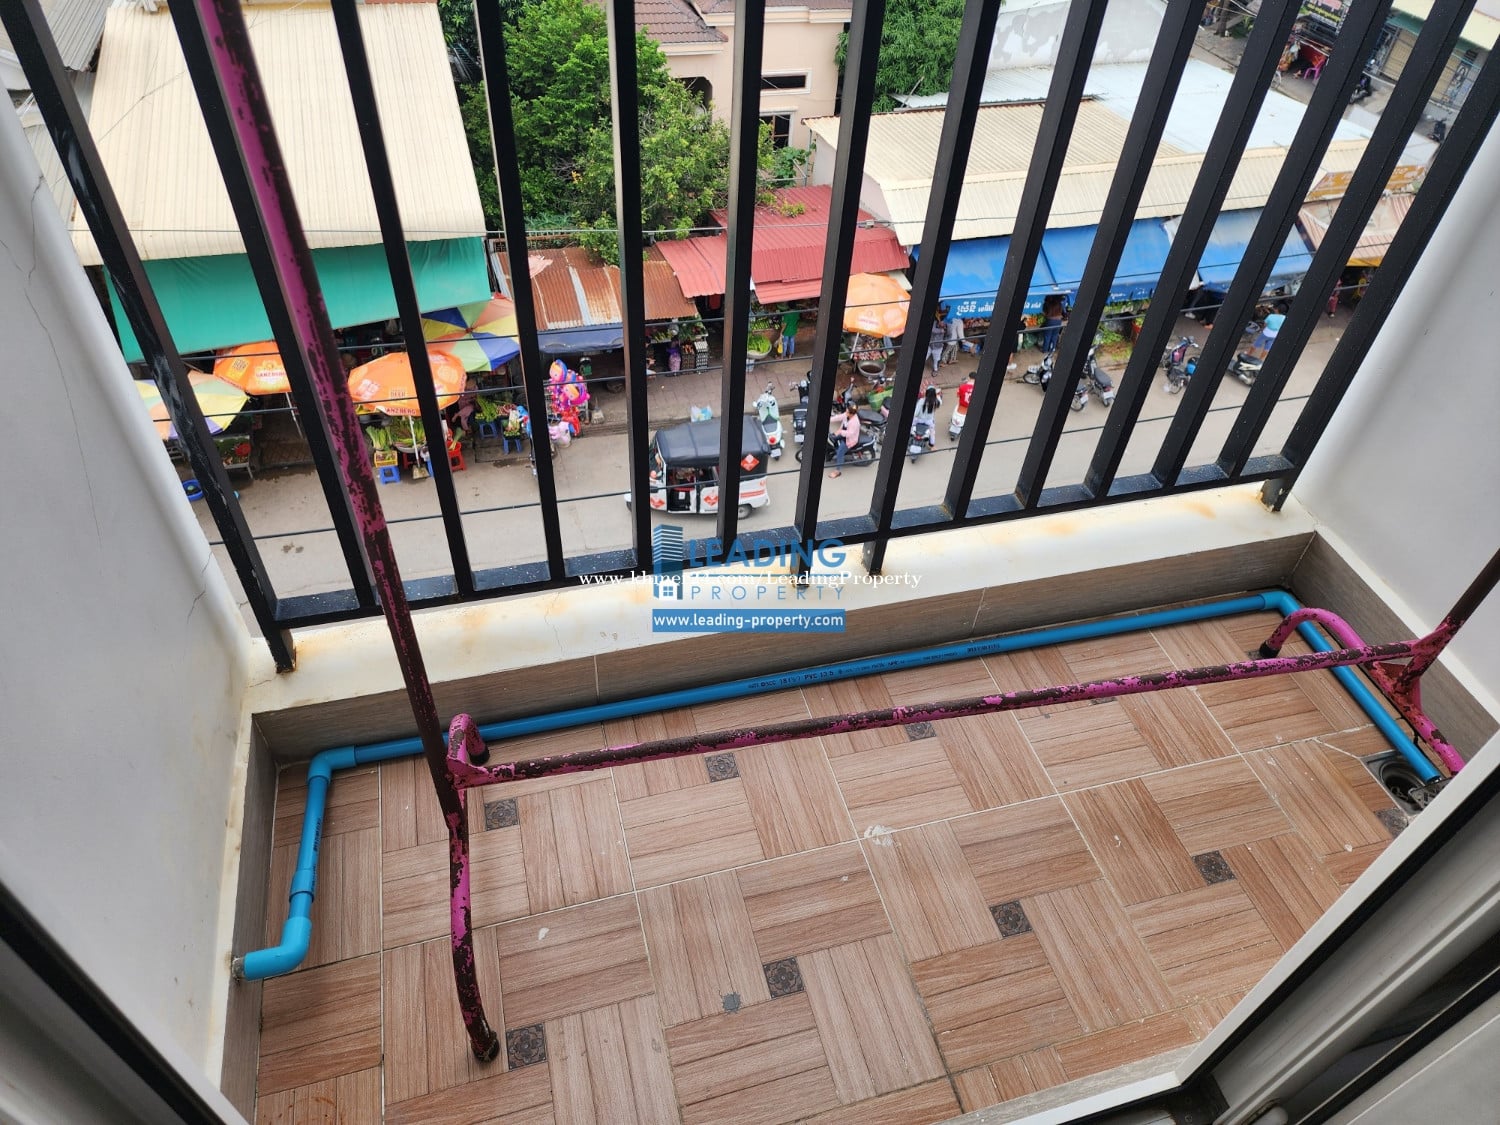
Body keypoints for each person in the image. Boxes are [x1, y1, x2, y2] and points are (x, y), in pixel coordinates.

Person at [829, 402, 861, 478]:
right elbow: (839, 417)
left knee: (840, 453)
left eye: (847, 412)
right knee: (831, 437)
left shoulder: (855, 422)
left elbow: (850, 434)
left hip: (849, 440)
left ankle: (838, 471)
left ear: (851, 414)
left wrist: (840, 432)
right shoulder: (847, 414)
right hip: (843, 434)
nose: (845, 413)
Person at [911, 383, 941, 451]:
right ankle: (932, 446)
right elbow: (940, 401)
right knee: (932, 432)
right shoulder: (936, 402)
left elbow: (915, 413)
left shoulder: (922, 401)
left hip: (918, 420)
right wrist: (937, 395)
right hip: (929, 421)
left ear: (926, 393)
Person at [927, 311, 946, 377]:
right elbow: (932, 330)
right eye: (942, 321)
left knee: (936, 360)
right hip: (930, 345)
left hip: (938, 347)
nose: (943, 323)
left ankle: (935, 370)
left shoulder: (946, 327)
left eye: (944, 322)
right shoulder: (934, 323)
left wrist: (943, 330)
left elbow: (949, 335)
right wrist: (941, 330)